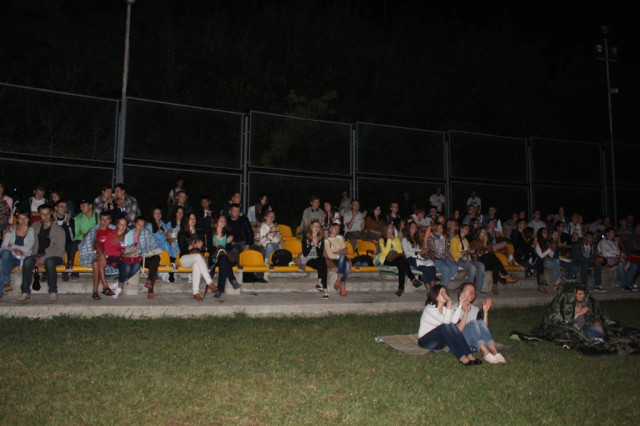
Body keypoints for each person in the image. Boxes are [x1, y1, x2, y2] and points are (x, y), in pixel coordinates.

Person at [417, 285, 481, 366]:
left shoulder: (445, 310)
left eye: (445, 292)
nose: (445, 295)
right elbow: (446, 322)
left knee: (451, 326)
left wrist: (461, 303)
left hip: (440, 344)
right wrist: (449, 303)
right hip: (425, 341)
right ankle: (462, 358)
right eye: (442, 293)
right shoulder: (429, 308)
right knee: (445, 326)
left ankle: (469, 355)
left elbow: (453, 321)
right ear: (435, 296)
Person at [19, 204, 65, 301]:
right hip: (37, 254)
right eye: (43, 214)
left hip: (55, 256)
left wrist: (43, 259)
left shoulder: (59, 230)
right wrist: (11, 228)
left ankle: (53, 291)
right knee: (27, 261)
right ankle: (25, 291)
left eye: (47, 214)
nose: (45, 216)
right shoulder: (34, 226)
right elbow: (22, 231)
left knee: (49, 261)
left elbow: (60, 250)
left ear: (51, 213)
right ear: (39, 214)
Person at [456, 283, 507, 364]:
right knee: (473, 323)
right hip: (461, 339)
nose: (471, 294)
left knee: (479, 322)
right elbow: (457, 331)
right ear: (461, 293)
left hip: (474, 340)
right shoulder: (454, 309)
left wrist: (485, 312)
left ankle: (495, 352)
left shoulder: (475, 309)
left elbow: (483, 330)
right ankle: (486, 353)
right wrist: (465, 312)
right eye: (468, 291)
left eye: (473, 292)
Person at [178, 212, 219, 301]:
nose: (193, 220)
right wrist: (191, 246)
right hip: (184, 258)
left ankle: (195, 293)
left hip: (197, 258)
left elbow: (203, 251)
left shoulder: (199, 232)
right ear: (186, 220)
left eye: (194, 218)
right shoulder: (181, 233)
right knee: (197, 257)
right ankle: (210, 282)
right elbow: (182, 249)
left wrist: (200, 247)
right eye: (191, 218)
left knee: (197, 264)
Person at [379, 222, 422, 297]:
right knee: (402, 261)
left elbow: (399, 251)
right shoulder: (381, 239)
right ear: (386, 229)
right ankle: (412, 279)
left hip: (397, 258)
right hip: (387, 259)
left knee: (401, 263)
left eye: (392, 227)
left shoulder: (396, 239)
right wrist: (389, 240)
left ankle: (401, 288)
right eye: (390, 227)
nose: (392, 229)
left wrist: (393, 240)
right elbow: (385, 252)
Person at [471, 228, 517, 295]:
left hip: (489, 262)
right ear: (479, 233)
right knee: (494, 258)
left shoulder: (488, 242)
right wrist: (484, 243)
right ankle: (506, 276)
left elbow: (491, 251)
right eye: (483, 232)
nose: (485, 234)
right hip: (480, 262)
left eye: (485, 232)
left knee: (495, 264)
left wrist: (486, 244)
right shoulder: (475, 242)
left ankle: (494, 286)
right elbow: (479, 253)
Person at [103, 217, 140, 299]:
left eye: (124, 225)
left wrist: (135, 237)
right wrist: (122, 254)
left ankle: (119, 282)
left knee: (137, 265)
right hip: (114, 257)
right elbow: (108, 250)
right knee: (126, 265)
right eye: (121, 224)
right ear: (117, 225)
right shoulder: (111, 234)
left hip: (127, 256)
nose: (123, 227)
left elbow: (135, 245)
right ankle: (119, 288)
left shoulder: (129, 234)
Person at [1, 211, 34, 300]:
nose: (23, 221)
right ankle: (6, 283)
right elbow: (3, 247)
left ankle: (3, 287)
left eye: (25, 218)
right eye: (20, 218)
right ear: (17, 220)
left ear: (28, 219)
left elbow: (28, 249)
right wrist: (13, 250)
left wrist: (13, 246)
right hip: (9, 256)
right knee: (5, 254)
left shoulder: (31, 231)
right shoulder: (11, 229)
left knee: (2, 263)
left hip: (22, 258)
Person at [130, 216, 162, 301]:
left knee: (156, 258)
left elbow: (154, 245)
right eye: (139, 225)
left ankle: (149, 282)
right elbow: (131, 249)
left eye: (142, 225)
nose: (141, 227)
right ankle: (150, 290)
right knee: (154, 266)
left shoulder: (147, 232)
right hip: (139, 258)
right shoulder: (130, 234)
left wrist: (150, 252)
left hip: (150, 256)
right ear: (134, 224)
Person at [209, 215, 240, 298]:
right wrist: (214, 245)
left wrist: (232, 237)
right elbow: (209, 249)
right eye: (221, 220)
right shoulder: (211, 233)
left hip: (226, 257)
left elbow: (236, 238)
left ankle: (219, 290)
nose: (223, 222)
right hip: (215, 258)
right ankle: (232, 280)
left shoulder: (228, 233)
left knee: (223, 262)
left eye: (224, 221)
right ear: (216, 222)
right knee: (223, 262)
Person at [402, 221, 436, 290]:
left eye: (415, 227)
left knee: (432, 267)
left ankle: (433, 289)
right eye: (413, 227)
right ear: (409, 229)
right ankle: (429, 290)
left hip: (418, 257)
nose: (414, 228)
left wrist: (424, 251)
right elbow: (406, 252)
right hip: (410, 258)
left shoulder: (416, 239)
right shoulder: (405, 239)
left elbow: (419, 250)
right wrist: (419, 252)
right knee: (425, 269)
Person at [298, 220, 328, 298]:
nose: (316, 228)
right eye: (315, 226)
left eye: (318, 226)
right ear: (311, 227)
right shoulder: (306, 237)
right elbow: (305, 253)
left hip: (317, 258)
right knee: (323, 264)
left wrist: (316, 244)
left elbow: (320, 254)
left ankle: (324, 288)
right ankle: (321, 285)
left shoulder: (321, 238)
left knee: (323, 261)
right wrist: (312, 244)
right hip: (307, 259)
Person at [91, 211, 117, 299]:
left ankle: (95, 291)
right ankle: (105, 287)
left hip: (108, 254)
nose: (104, 222)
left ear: (110, 220)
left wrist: (104, 254)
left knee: (96, 263)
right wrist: (102, 254)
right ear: (100, 220)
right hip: (98, 254)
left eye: (106, 220)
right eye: (102, 220)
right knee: (96, 262)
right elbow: (94, 242)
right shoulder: (96, 231)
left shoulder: (112, 231)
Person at [450, 224, 485, 289]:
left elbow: (468, 251)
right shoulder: (454, 239)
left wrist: (472, 252)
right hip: (459, 259)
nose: (468, 230)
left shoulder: (465, 240)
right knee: (472, 267)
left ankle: (479, 289)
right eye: (466, 229)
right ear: (461, 229)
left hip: (467, 258)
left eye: (468, 229)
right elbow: (453, 253)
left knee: (481, 265)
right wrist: (465, 252)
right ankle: (470, 289)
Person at [427, 223, 458, 289]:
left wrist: (447, 256)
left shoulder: (443, 237)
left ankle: (442, 285)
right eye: (439, 228)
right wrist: (441, 256)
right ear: (435, 229)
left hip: (444, 256)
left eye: (441, 228)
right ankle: (443, 287)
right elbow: (432, 249)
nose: (441, 230)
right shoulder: (431, 237)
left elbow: (446, 249)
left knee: (454, 266)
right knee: (446, 269)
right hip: (436, 257)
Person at [324, 221, 349, 296]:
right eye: (335, 228)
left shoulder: (340, 238)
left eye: (338, 228)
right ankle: (342, 286)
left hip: (342, 258)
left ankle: (339, 279)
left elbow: (345, 250)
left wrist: (337, 253)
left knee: (344, 258)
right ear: (330, 229)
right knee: (347, 264)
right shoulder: (327, 240)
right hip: (334, 259)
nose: (337, 229)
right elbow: (330, 255)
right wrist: (339, 255)